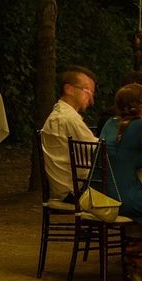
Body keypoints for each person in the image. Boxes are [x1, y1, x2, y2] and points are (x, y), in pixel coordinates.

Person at [100, 83, 142, 233]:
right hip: (125, 198)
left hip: (103, 195)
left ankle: (136, 246)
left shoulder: (110, 123)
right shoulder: (140, 126)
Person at [41, 66, 98, 201]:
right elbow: (97, 150)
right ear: (69, 89)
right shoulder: (67, 119)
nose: (90, 97)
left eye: (92, 92)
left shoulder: (62, 114)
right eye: (86, 90)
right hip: (75, 190)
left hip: (67, 188)